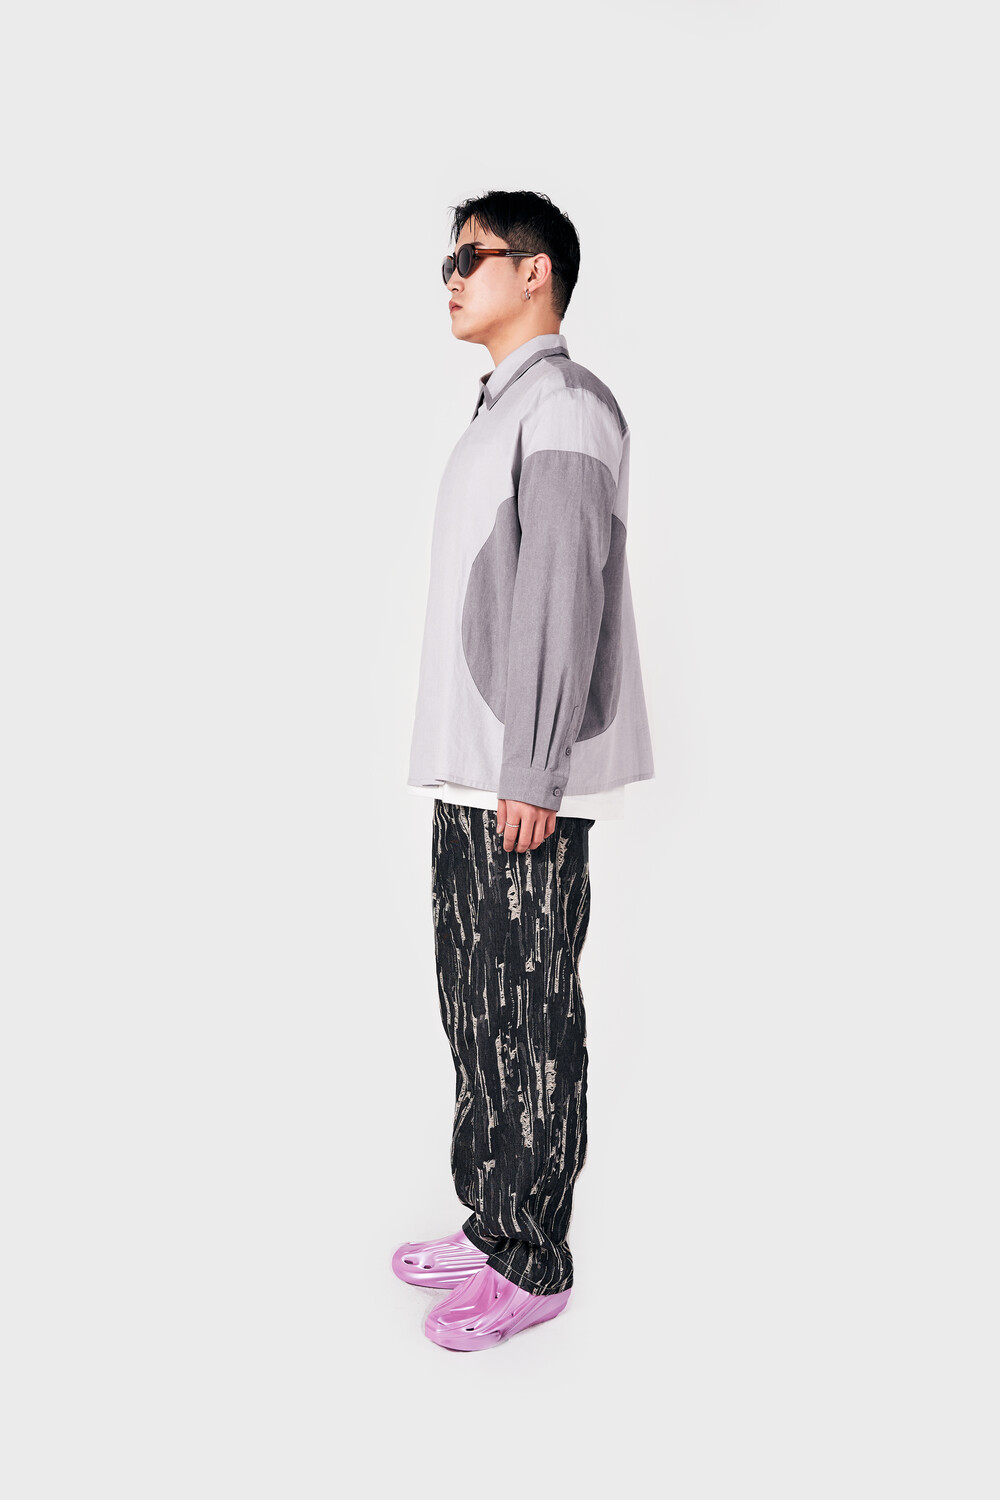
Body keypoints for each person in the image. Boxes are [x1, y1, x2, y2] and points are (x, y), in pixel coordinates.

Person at [394, 189, 655, 1351]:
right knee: (474, 1008)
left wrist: (536, 769)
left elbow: (559, 591)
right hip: (473, 772)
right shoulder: (500, 406)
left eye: (472, 256)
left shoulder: (564, 406)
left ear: (535, 271)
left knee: (529, 1018)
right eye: (446, 260)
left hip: (520, 777)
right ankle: (491, 1220)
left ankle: (534, 1260)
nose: (452, 277)